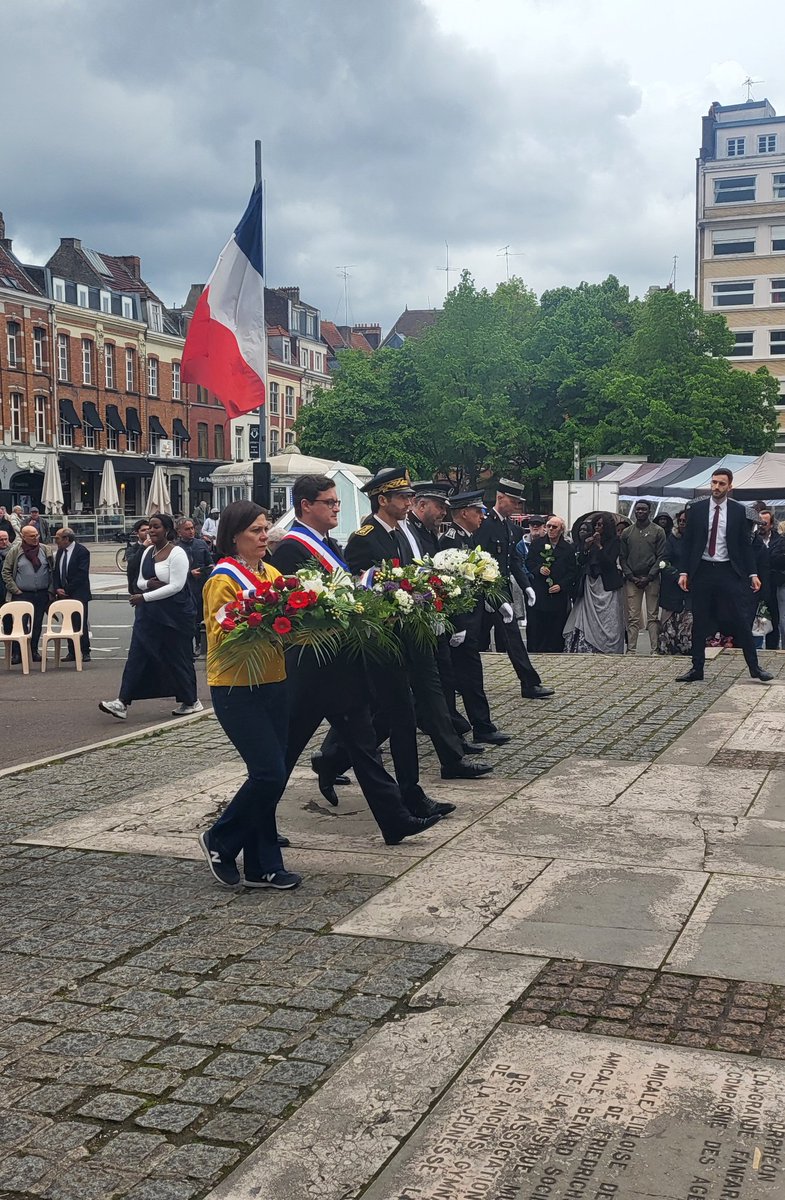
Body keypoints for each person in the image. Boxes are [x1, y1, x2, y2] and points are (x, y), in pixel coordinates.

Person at [271, 474, 446, 838]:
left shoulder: (327, 542)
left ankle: (394, 820)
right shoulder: (292, 549)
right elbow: (302, 609)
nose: (337, 508)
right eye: (330, 503)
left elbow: (347, 586)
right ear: (306, 506)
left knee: (365, 747)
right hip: (313, 668)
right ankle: (252, 818)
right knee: (284, 753)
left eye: (337, 503)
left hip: (340, 666)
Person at [343, 467, 491, 784]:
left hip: (417, 627)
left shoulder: (401, 533)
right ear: (382, 500)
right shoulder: (364, 538)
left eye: (411, 496)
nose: (410, 501)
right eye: (404, 496)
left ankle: (452, 759)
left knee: (431, 691)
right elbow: (360, 586)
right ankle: (332, 759)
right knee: (386, 708)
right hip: (389, 634)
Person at [198, 500, 300, 890]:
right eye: (257, 530)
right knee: (268, 773)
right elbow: (224, 634)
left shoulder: (272, 572)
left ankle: (263, 865)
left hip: (274, 680)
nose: (264, 536)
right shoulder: (221, 579)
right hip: (236, 687)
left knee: (271, 774)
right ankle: (220, 839)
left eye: (266, 528)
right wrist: (270, 619)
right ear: (234, 535)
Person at [99, 513, 202, 720]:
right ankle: (122, 702)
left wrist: (145, 596)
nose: (151, 531)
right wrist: (150, 585)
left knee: (178, 658)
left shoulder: (177, 553)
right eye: (149, 528)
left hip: (174, 616)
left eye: (156, 527)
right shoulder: (147, 552)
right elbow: (139, 581)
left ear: (167, 529)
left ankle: (191, 700)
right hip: (149, 615)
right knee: (137, 654)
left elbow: (177, 586)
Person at [676, 469, 772, 683]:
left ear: (730, 487)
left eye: (721, 484)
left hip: (728, 571)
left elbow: (745, 546)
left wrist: (752, 573)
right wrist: (684, 571)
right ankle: (696, 668)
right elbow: (688, 542)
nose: (716, 487)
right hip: (702, 570)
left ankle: (755, 668)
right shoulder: (697, 509)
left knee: (740, 619)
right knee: (699, 621)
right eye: (714, 483)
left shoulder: (738, 511)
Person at [438, 491, 511, 746]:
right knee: (463, 677)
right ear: (464, 513)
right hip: (460, 625)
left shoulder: (467, 539)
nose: (482, 516)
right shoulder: (450, 542)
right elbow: (450, 587)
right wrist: (457, 625)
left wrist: (495, 601)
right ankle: (471, 728)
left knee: (471, 676)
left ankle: (479, 726)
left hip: (472, 621)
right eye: (477, 511)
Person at [475, 479, 554, 700]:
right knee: (471, 638)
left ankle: (530, 683)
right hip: (482, 592)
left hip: (502, 591)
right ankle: (456, 681)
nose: (517, 507)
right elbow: (476, 559)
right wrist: (487, 592)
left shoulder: (511, 528)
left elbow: (514, 561)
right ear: (500, 498)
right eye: (514, 502)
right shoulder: (484, 523)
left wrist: (527, 586)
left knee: (513, 638)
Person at [564, 513, 625, 654]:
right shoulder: (589, 541)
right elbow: (581, 561)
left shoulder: (615, 541)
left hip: (606, 585)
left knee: (608, 617)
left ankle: (606, 647)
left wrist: (599, 545)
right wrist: (586, 548)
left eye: (601, 525)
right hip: (590, 583)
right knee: (585, 615)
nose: (597, 527)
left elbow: (609, 562)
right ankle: (585, 645)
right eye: (596, 525)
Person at [620, 500, 667, 654]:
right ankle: (631, 649)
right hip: (632, 579)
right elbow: (623, 557)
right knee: (633, 616)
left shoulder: (658, 531)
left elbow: (661, 556)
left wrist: (650, 576)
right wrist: (631, 576)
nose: (640, 512)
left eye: (643, 509)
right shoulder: (627, 532)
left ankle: (654, 649)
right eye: (638, 509)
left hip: (651, 578)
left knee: (652, 616)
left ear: (649, 512)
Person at [1, 525, 53, 661]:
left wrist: (50, 590)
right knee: (20, 624)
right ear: (23, 537)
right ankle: (18, 653)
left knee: (37, 624)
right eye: (32, 536)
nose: (36, 538)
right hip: (22, 594)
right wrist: (15, 589)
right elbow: (6, 572)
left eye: (36, 535)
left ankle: (34, 651)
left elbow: (52, 571)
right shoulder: (15, 551)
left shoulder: (45, 550)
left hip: (41, 594)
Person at [527, 515, 577, 652]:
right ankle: (535, 650)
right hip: (540, 590)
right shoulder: (537, 544)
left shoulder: (568, 548)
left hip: (557, 594)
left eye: (554, 527)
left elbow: (572, 572)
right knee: (537, 625)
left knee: (555, 627)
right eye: (548, 526)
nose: (550, 529)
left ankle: (554, 651)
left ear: (561, 529)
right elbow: (529, 562)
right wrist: (539, 569)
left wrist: (561, 585)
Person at [53, 528, 92, 661]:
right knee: (68, 622)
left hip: (78, 593)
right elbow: (56, 571)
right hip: (63, 593)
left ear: (66, 539)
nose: (55, 541)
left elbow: (82, 574)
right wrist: (57, 587)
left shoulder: (81, 551)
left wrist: (67, 589)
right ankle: (72, 652)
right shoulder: (60, 552)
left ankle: (85, 651)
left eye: (57, 538)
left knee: (80, 622)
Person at [177, 517, 214, 656]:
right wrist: (189, 573)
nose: (191, 531)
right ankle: (187, 646)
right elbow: (172, 571)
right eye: (187, 529)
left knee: (201, 617)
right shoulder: (176, 548)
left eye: (192, 528)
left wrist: (210, 568)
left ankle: (200, 644)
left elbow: (209, 561)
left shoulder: (201, 544)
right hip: (185, 587)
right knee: (187, 619)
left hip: (201, 586)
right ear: (179, 532)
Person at [658, 510, 692, 655]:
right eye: (680, 521)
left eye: (685, 521)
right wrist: (677, 575)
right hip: (673, 586)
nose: (682, 524)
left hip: (692, 587)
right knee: (670, 623)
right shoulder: (672, 539)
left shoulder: (697, 539)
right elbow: (664, 561)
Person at [757, 509, 783, 650]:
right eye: (760, 522)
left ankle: (772, 649)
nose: (761, 525)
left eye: (764, 523)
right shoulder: (753, 539)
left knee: (773, 618)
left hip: (773, 584)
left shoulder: (778, 540)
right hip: (755, 584)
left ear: (771, 524)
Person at [126, 519, 151, 596]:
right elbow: (132, 563)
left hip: (152, 587)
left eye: (148, 529)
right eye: (143, 530)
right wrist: (143, 547)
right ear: (137, 533)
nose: (147, 532)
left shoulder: (156, 546)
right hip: (138, 589)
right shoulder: (132, 549)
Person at [0, 530, 11, 606]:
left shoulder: (13, 552)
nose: (4, 542)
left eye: (6, 539)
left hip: (8, 588)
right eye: (1, 540)